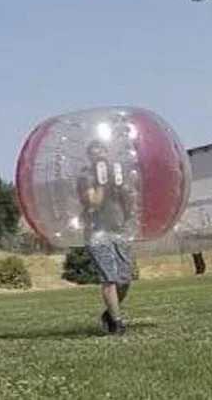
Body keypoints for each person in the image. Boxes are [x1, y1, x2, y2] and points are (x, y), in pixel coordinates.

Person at [80, 141, 136, 335]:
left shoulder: (118, 175)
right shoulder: (86, 177)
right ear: (90, 157)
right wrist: (101, 183)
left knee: (124, 280)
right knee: (109, 278)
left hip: (117, 230)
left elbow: (129, 201)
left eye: (102, 152)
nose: (99, 156)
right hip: (97, 232)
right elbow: (94, 203)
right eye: (95, 154)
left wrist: (126, 195)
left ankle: (110, 314)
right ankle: (117, 323)